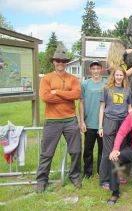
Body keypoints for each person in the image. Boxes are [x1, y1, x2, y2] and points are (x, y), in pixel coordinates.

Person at [36, 45, 81, 193]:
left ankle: (74, 175)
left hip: (70, 120)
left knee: (75, 151)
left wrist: (57, 92)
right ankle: (42, 180)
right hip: (52, 120)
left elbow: (76, 95)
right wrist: (65, 95)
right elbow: (45, 97)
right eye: (57, 61)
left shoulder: (73, 78)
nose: (60, 63)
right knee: (47, 152)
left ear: (66, 62)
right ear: (53, 62)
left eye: (63, 61)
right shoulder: (46, 79)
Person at [98, 67, 132, 190]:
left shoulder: (127, 90)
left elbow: (129, 107)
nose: (119, 77)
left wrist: (131, 121)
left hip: (123, 122)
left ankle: (118, 175)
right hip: (109, 121)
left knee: (120, 151)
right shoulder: (107, 89)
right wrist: (100, 126)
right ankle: (104, 179)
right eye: (117, 75)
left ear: (124, 77)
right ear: (114, 76)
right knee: (107, 152)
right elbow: (102, 107)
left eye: (121, 75)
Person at [79, 60, 105, 178]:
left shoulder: (106, 83)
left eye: (97, 68)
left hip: (102, 124)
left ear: (101, 69)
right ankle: (88, 172)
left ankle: (101, 171)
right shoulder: (85, 84)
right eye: (93, 69)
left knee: (102, 149)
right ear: (90, 70)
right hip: (89, 122)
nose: (95, 71)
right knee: (88, 149)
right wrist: (82, 121)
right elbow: (81, 103)